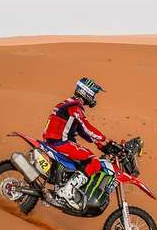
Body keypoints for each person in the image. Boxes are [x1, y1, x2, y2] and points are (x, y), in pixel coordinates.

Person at [42, 77, 113, 206]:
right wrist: (104, 138)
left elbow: (82, 131)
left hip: (54, 141)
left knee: (82, 159)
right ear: (87, 92)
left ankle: (61, 188)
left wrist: (100, 144)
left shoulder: (70, 104)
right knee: (94, 161)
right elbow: (86, 126)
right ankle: (67, 191)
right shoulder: (74, 106)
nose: (94, 97)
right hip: (59, 142)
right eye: (94, 93)